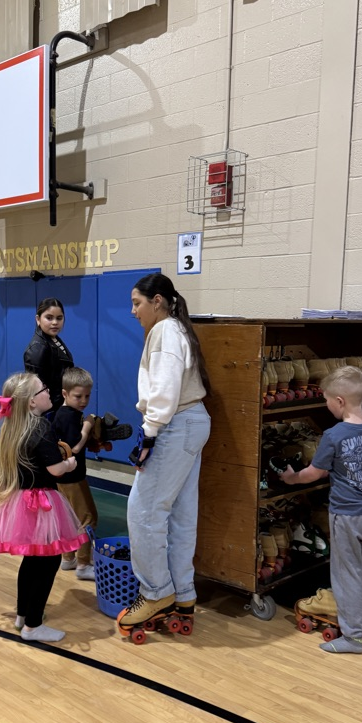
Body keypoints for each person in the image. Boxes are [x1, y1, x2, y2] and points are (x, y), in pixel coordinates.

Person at [280, 366, 362, 654]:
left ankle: (354, 637)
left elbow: (314, 473)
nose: (325, 404)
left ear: (339, 402)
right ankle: (350, 616)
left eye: (326, 400)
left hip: (347, 517)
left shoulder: (334, 435)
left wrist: (290, 478)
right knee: (357, 572)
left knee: (345, 574)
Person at [117, 273, 212, 639]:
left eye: (137, 303)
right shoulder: (175, 329)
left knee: (143, 513)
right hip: (191, 421)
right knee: (181, 515)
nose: (132, 311)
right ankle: (183, 594)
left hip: (175, 424)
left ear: (157, 301)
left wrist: (150, 434)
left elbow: (165, 388)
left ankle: (155, 592)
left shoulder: (165, 331)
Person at [0, 372, 88, 643]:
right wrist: (70, 464)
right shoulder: (41, 428)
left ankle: (23, 614)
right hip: (42, 504)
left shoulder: (12, 428)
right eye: (43, 390)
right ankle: (33, 627)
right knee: (48, 562)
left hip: (20, 502)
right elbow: (55, 469)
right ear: (31, 403)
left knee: (31, 560)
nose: (49, 392)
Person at [51, 367, 98, 581]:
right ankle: (83, 563)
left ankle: (68, 558)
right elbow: (75, 448)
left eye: (87, 396)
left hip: (63, 478)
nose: (83, 401)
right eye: (78, 396)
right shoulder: (70, 416)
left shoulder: (65, 414)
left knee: (69, 518)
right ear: (64, 394)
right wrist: (87, 426)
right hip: (72, 478)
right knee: (88, 517)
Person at [23, 298, 73, 413]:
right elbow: (37, 391)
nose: (55, 322)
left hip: (60, 405)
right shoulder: (38, 348)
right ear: (38, 319)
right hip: (50, 411)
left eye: (59, 318)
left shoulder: (53, 339)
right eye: (49, 318)